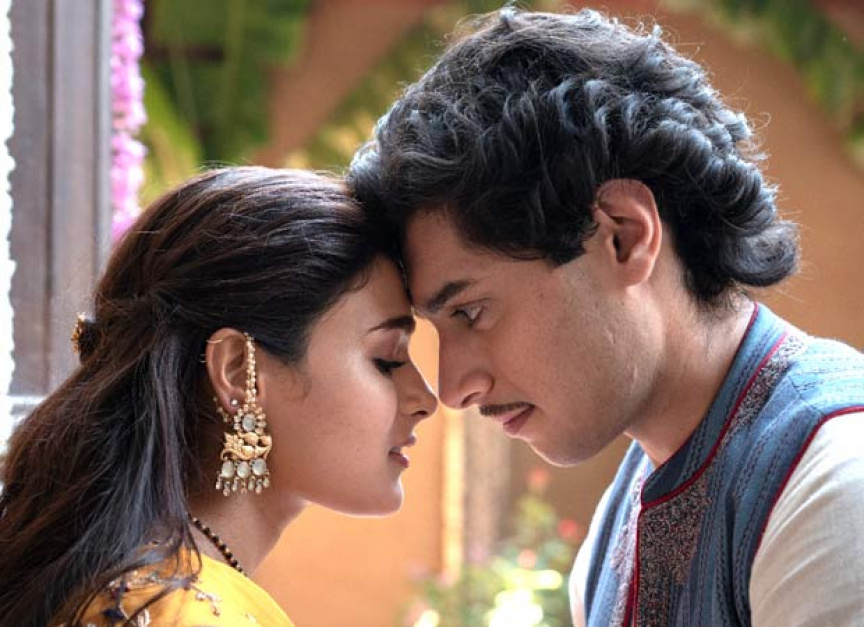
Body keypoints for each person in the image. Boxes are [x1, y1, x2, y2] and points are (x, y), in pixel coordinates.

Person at [348, 7, 864, 626]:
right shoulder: (615, 531)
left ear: (623, 235)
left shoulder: (837, 487)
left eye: (472, 311)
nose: (455, 389)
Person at [0, 166, 437, 627]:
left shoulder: (137, 586)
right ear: (237, 371)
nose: (426, 398)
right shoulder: (174, 613)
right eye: (387, 360)